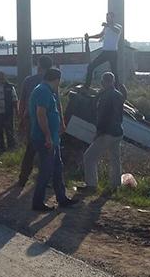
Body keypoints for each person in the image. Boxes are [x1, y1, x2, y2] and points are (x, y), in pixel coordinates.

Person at [29, 68, 76, 211]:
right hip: (45, 138)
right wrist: (48, 136)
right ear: (57, 80)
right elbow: (41, 114)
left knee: (57, 169)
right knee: (46, 170)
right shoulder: (43, 91)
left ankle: (62, 198)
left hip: (52, 138)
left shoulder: (47, 91)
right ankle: (37, 202)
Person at [18, 55, 61, 187]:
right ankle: (46, 180)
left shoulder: (29, 80)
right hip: (49, 121)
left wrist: (21, 118)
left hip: (32, 120)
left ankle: (23, 178)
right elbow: (58, 104)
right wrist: (62, 123)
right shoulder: (52, 81)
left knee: (31, 149)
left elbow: (22, 102)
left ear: (39, 65)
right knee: (48, 151)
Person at [81, 72, 126, 192]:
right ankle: (115, 185)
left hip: (107, 132)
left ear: (103, 82)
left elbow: (103, 116)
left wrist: (98, 132)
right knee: (115, 159)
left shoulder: (105, 96)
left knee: (89, 157)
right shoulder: (119, 94)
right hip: (118, 131)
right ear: (113, 80)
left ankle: (91, 185)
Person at [84, 11, 122, 88]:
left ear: (113, 18)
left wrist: (108, 25)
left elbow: (116, 31)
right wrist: (89, 37)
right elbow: (100, 35)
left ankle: (117, 88)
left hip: (113, 53)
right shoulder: (106, 27)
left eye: (109, 18)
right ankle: (86, 86)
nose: (107, 19)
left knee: (114, 71)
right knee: (91, 66)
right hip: (105, 52)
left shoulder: (118, 26)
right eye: (106, 18)